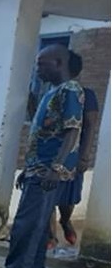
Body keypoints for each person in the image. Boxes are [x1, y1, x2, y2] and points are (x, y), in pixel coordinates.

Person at [0, 44, 84, 268]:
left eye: (42, 63)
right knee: (39, 226)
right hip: (37, 169)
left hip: (48, 172)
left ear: (59, 63)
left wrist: (56, 167)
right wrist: (28, 168)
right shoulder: (52, 92)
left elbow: (72, 130)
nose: (37, 68)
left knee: (25, 224)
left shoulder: (70, 90)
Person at [49, 50, 100, 248]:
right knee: (48, 197)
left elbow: (90, 125)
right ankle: (50, 236)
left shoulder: (86, 95)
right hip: (47, 155)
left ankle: (65, 221)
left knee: (68, 199)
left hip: (72, 156)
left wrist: (84, 157)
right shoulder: (50, 94)